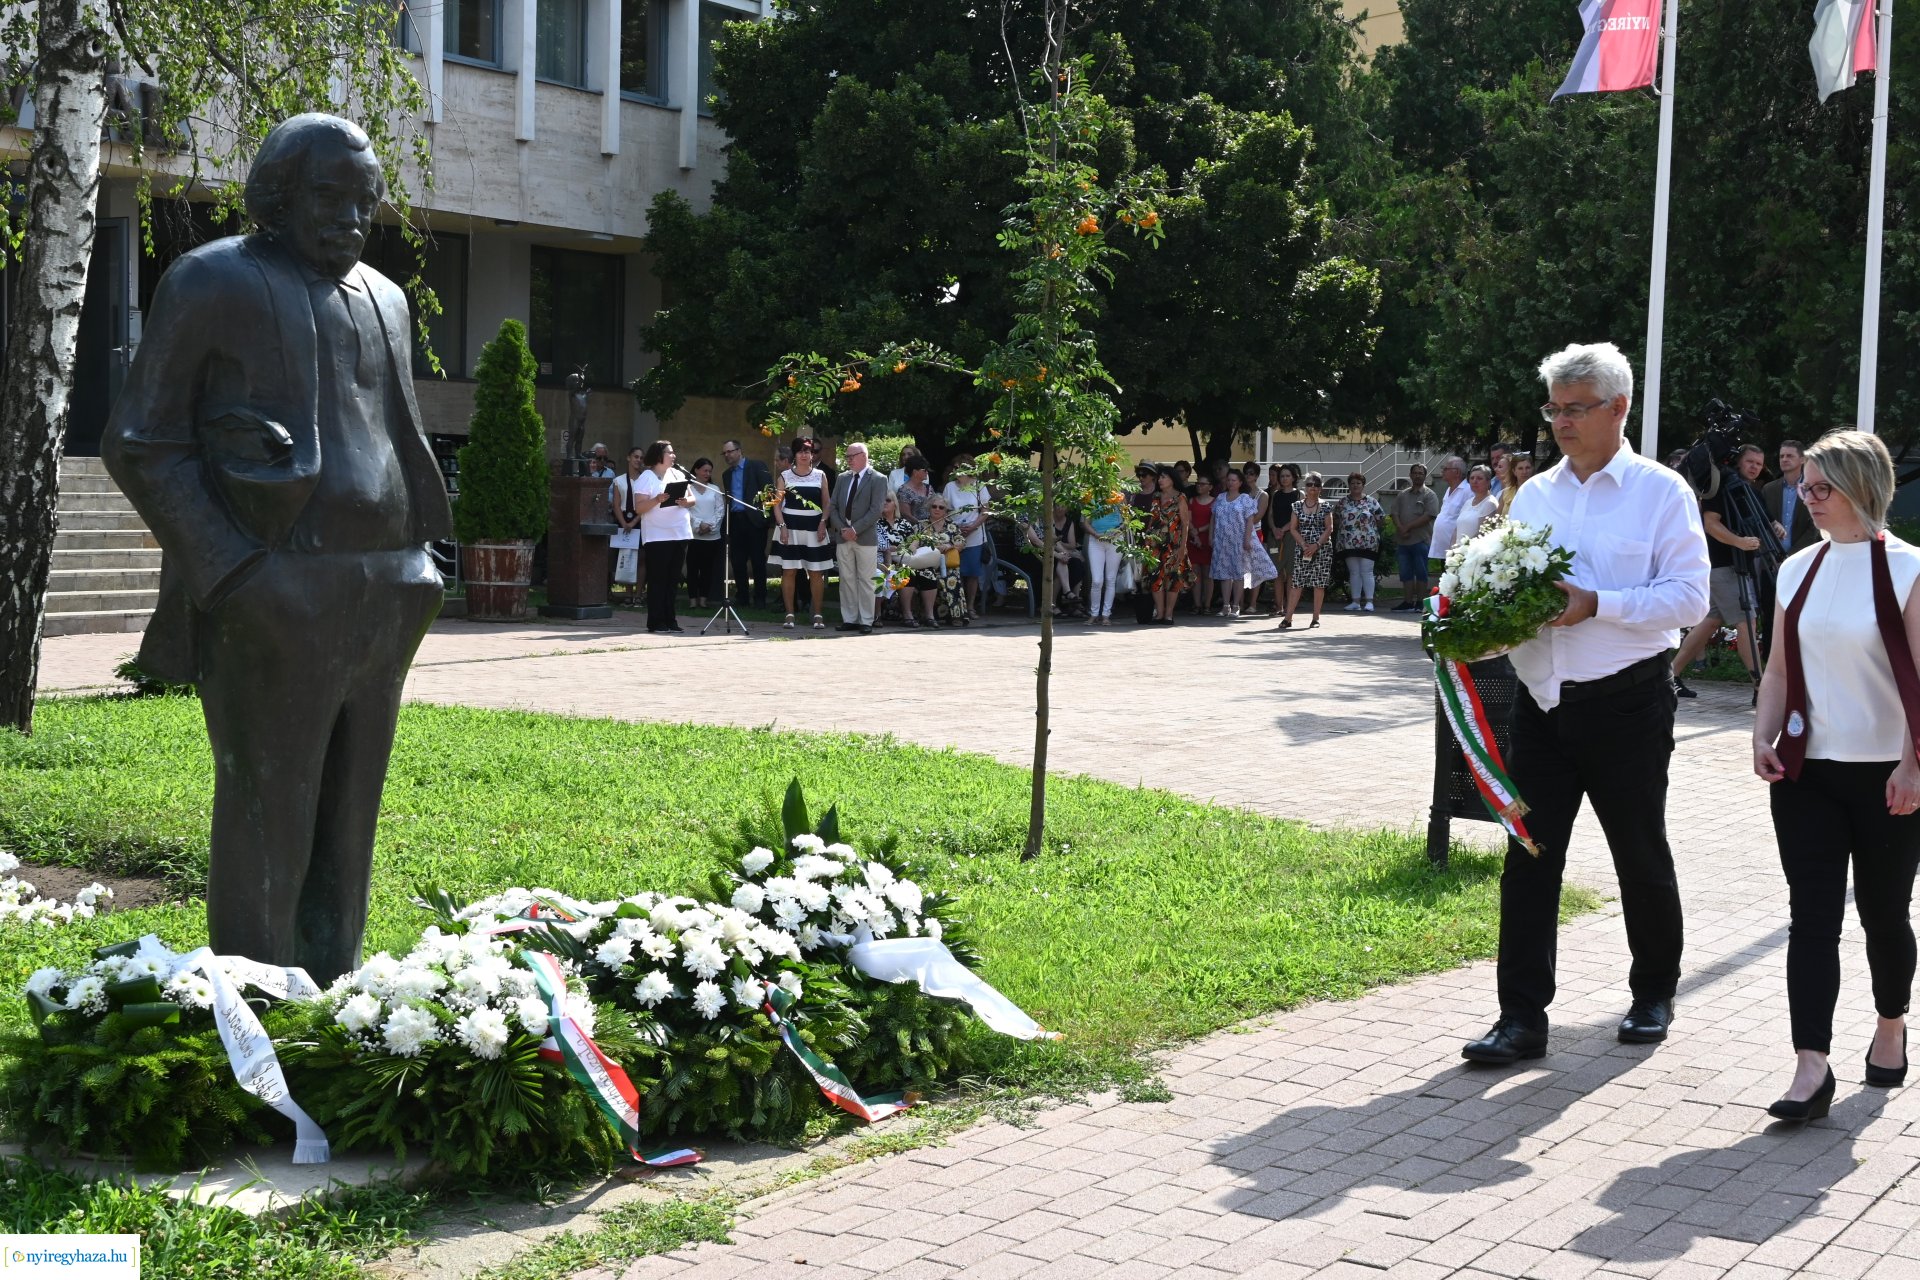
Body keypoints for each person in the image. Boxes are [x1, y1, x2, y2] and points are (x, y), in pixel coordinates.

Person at [101, 113, 455, 984]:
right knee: (272, 815)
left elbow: (393, 433)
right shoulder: (212, 280)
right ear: (278, 193)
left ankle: (335, 1005)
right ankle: (259, 1014)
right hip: (274, 585)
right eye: (328, 196)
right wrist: (233, 571)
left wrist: (422, 569)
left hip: (387, 590)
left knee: (349, 819)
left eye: (363, 201)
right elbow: (142, 441)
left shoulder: (387, 297)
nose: (349, 218)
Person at [1461, 341, 1709, 1066]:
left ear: (1619, 408)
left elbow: (1690, 598)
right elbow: (1512, 586)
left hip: (1627, 704)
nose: (1560, 423)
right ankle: (1520, 1018)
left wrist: (1597, 604)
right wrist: (1479, 625)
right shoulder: (1536, 493)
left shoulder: (1661, 492)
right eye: (1554, 409)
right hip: (1541, 705)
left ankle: (1653, 991)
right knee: (1529, 858)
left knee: (1639, 852)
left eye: (1575, 409)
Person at [1752, 430, 1920, 1121]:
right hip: (1807, 774)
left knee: (1884, 914)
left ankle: (1890, 1023)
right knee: (1812, 919)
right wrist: (1761, 733)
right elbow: (1777, 671)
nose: (1808, 498)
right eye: (1805, 487)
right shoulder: (1797, 570)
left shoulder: (1910, 570)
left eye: (1822, 488)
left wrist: (1914, 764)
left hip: (1888, 776)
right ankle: (1810, 1066)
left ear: (1863, 490)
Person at [1668, 443, 1766, 697]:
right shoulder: (1723, 488)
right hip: (1724, 565)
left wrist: (1775, 527)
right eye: (1750, 462)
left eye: (1759, 463)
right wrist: (1739, 542)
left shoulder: (1749, 490)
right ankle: (1761, 687)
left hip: (1730, 565)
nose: (1755, 467)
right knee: (1747, 622)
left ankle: (1670, 675)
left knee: (1710, 621)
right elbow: (1711, 524)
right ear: (1738, 462)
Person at [631, 440, 695, 634]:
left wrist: (686, 502)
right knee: (658, 579)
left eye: (674, 452)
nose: (674, 455)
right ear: (659, 455)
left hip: (680, 532)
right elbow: (639, 508)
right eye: (670, 452)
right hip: (657, 536)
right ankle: (656, 621)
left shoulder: (678, 474)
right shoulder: (647, 477)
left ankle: (670, 620)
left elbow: (693, 499)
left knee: (673, 579)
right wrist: (657, 500)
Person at [773, 437, 834, 630]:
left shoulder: (820, 475)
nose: (804, 455)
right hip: (790, 527)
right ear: (794, 455)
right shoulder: (784, 476)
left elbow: (827, 503)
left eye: (807, 451)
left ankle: (817, 614)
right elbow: (776, 505)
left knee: (816, 572)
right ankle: (790, 614)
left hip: (814, 527)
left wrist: (823, 523)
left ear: (812, 454)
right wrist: (782, 526)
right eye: (800, 451)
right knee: (789, 571)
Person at [830, 441, 888, 634]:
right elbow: (833, 507)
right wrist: (843, 529)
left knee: (865, 579)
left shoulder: (878, 479)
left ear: (863, 456)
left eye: (851, 456)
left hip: (864, 538)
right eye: (847, 456)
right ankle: (850, 618)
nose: (848, 460)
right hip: (843, 536)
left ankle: (866, 620)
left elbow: (876, 510)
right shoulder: (842, 478)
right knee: (846, 578)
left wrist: (855, 529)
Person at [720, 439, 772, 609]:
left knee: (757, 560)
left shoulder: (756, 466)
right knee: (737, 561)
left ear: (739, 451)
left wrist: (764, 517)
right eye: (725, 453)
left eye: (730, 451)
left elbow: (768, 492)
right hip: (736, 520)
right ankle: (742, 596)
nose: (727, 455)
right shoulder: (726, 475)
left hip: (755, 520)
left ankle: (760, 597)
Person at [1281, 473, 1333, 630]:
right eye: (1310, 484)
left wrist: (1316, 545)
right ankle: (1288, 618)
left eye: (1317, 485)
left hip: (1322, 549)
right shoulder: (1297, 506)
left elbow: (1329, 528)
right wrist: (1304, 545)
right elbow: (1293, 528)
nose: (1313, 488)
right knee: (1297, 582)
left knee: (1319, 584)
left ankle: (1315, 618)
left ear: (1321, 488)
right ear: (1305, 486)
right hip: (1302, 549)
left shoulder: (1325, 506)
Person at [942, 457, 991, 618]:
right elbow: (944, 510)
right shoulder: (950, 487)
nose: (956, 471)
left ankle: (970, 607)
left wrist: (973, 526)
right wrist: (955, 528)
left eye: (959, 467)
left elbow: (985, 511)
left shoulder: (979, 486)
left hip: (974, 534)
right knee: (955, 571)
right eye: (954, 467)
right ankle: (957, 607)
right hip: (954, 534)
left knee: (972, 573)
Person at [1143, 466, 1192, 624]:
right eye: (1160, 478)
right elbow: (1152, 519)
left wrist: (1183, 547)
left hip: (1174, 543)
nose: (1160, 480)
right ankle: (1159, 613)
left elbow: (1185, 524)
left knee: (1173, 578)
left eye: (1164, 477)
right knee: (1155, 577)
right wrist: (1147, 540)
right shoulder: (1156, 496)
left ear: (1172, 479)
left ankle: (1169, 614)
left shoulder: (1180, 497)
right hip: (1155, 542)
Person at [1209, 470, 1258, 618]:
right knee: (1224, 574)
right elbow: (1213, 518)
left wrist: (1247, 539)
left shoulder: (1245, 499)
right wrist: (1211, 536)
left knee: (1238, 574)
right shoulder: (1220, 497)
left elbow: (1250, 520)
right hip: (1222, 541)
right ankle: (1225, 605)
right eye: (1228, 480)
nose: (1230, 483)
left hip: (1239, 541)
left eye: (1234, 480)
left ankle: (1236, 605)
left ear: (1240, 483)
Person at [1390, 463, 1440, 610]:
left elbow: (1429, 516)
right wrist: (1400, 528)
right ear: (1410, 475)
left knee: (1421, 572)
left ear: (1425, 476)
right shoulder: (1403, 494)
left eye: (1420, 473)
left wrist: (1407, 527)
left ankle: (1420, 602)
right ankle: (1407, 602)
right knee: (1405, 573)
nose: (1417, 475)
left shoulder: (1430, 495)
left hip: (1421, 540)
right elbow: (1394, 512)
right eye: (1415, 473)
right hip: (1403, 541)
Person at [1334, 472, 1385, 613]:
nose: (1355, 485)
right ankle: (1355, 601)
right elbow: (1336, 519)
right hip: (1348, 543)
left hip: (1368, 542)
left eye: (1358, 483)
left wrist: (1370, 531)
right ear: (1349, 485)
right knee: (1354, 572)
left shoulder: (1371, 501)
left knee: (1367, 571)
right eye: (1352, 483)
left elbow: (1381, 519)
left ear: (1363, 485)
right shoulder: (1342, 502)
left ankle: (1369, 602)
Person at [1764, 439, 1820, 557]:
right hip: (1771, 560)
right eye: (1781, 456)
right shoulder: (1768, 489)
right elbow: (1763, 521)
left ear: (1802, 459)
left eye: (1789, 456)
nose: (1784, 459)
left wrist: (1792, 555)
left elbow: (1814, 527)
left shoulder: (1813, 488)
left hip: (1803, 557)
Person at [685, 457, 726, 610]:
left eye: (709, 471)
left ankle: (703, 599)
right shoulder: (688, 488)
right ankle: (692, 600)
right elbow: (685, 510)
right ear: (696, 470)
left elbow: (720, 511)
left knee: (707, 569)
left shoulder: (715, 489)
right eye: (705, 470)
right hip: (694, 536)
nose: (707, 473)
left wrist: (710, 526)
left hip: (712, 536)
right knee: (692, 569)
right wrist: (698, 525)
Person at [609, 446, 648, 604]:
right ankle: (628, 593)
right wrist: (624, 522)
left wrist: (633, 521)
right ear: (628, 458)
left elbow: (646, 503)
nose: (638, 460)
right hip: (623, 519)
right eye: (635, 457)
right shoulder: (619, 480)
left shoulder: (645, 479)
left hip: (639, 519)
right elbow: (616, 504)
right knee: (625, 556)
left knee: (641, 558)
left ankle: (638, 593)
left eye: (641, 458)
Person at [1083, 493, 1127, 625]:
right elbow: (1085, 522)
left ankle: (1106, 615)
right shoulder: (1090, 495)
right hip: (1096, 539)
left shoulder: (1119, 496)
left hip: (1115, 539)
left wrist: (1117, 531)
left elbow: (1126, 520)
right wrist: (1095, 534)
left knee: (1110, 579)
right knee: (1096, 580)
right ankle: (1094, 614)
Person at [1268, 464, 1303, 617]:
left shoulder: (1299, 495)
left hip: (1291, 536)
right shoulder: (1275, 494)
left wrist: (1284, 529)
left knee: (1290, 573)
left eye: (1288, 476)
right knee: (1276, 572)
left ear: (1294, 477)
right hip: (1275, 537)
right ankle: (1278, 607)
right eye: (1282, 476)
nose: (1284, 478)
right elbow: (1270, 514)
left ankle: (1289, 607)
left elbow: (1299, 516)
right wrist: (1275, 528)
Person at [1428, 456, 1470, 566]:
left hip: (1456, 549)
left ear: (1456, 472)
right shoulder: (1449, 489)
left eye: (1445, 468)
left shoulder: (1467, 491)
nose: (1443, 471)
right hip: (1444, 548)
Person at [1188, 474, 1216, 614]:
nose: (1199, 486)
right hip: (1193, 540)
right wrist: (1194, 533)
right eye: (1198, 483)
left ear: (1210, 487)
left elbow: (1213, 521)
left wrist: (1198, 531)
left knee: (1208, 574)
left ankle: (1207, 605)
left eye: (1203, 484)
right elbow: (1188, 519)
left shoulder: (1215, 502)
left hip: (1208, 539)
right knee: (1195, 573)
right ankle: (1197, 604)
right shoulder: (1192, 501)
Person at [1454, 465, 1499, 547]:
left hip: (1473, 552)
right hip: (1458, 552)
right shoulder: (1468, 502)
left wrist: (1462, 550)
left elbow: (1482, 533)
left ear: (1488, 481)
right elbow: (1456, 529)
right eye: (1472, 478)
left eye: (1479, 478)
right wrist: (1451, 550)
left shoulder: (1490, 503)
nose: (1474, 481)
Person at [1496, 452, 1534, 519]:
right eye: (1520, 468)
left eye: (1527, 468)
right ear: (1514, 471)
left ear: (1532, 469)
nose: (1524, 472)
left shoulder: (1538, 492)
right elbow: (1497, 519)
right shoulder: (1506, 493)